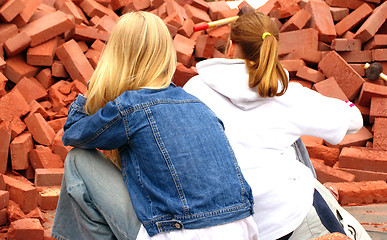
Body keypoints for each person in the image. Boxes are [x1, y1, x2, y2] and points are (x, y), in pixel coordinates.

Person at [51, 11, 259, 240]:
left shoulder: (132, 107)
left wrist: (97, 86)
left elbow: (74, 133)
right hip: (243, 231)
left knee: (78, 160)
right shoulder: (197, 103)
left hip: (181, 233)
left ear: (116, 56)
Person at [183, 11, 371, 240]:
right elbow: (353, 121)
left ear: (231, 46)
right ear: (271, 48)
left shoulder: (194, 89)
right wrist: (346, 104)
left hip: (225, 224)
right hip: (285, 219)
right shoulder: (286, 96)